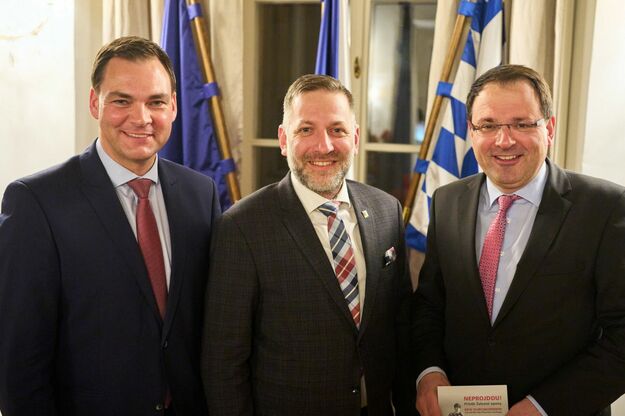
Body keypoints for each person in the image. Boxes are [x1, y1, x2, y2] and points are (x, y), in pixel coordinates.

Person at [0, 36, 220, 415]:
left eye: (156, 102)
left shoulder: (200, 193)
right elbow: (18, 361)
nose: (141, 118)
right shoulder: (36, 203)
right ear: (94, 103)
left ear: (174, 107)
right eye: (122, 101)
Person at [413, 64, 625, 416]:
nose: (504, 140)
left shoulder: (606, 208)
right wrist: (429, 373)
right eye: (488, 125)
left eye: (522, 124)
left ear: (549, 129)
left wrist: (543, 407)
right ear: (471, 131)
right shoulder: (447, 201)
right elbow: (430, 306)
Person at [201, 74, 415, 415]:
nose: (324, 146)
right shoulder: (242, 228)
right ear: (283, 139)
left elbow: (402, 327)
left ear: (355, 137)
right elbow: (223, 362)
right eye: (306, 130)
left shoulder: (386, 210)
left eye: (337, 130)